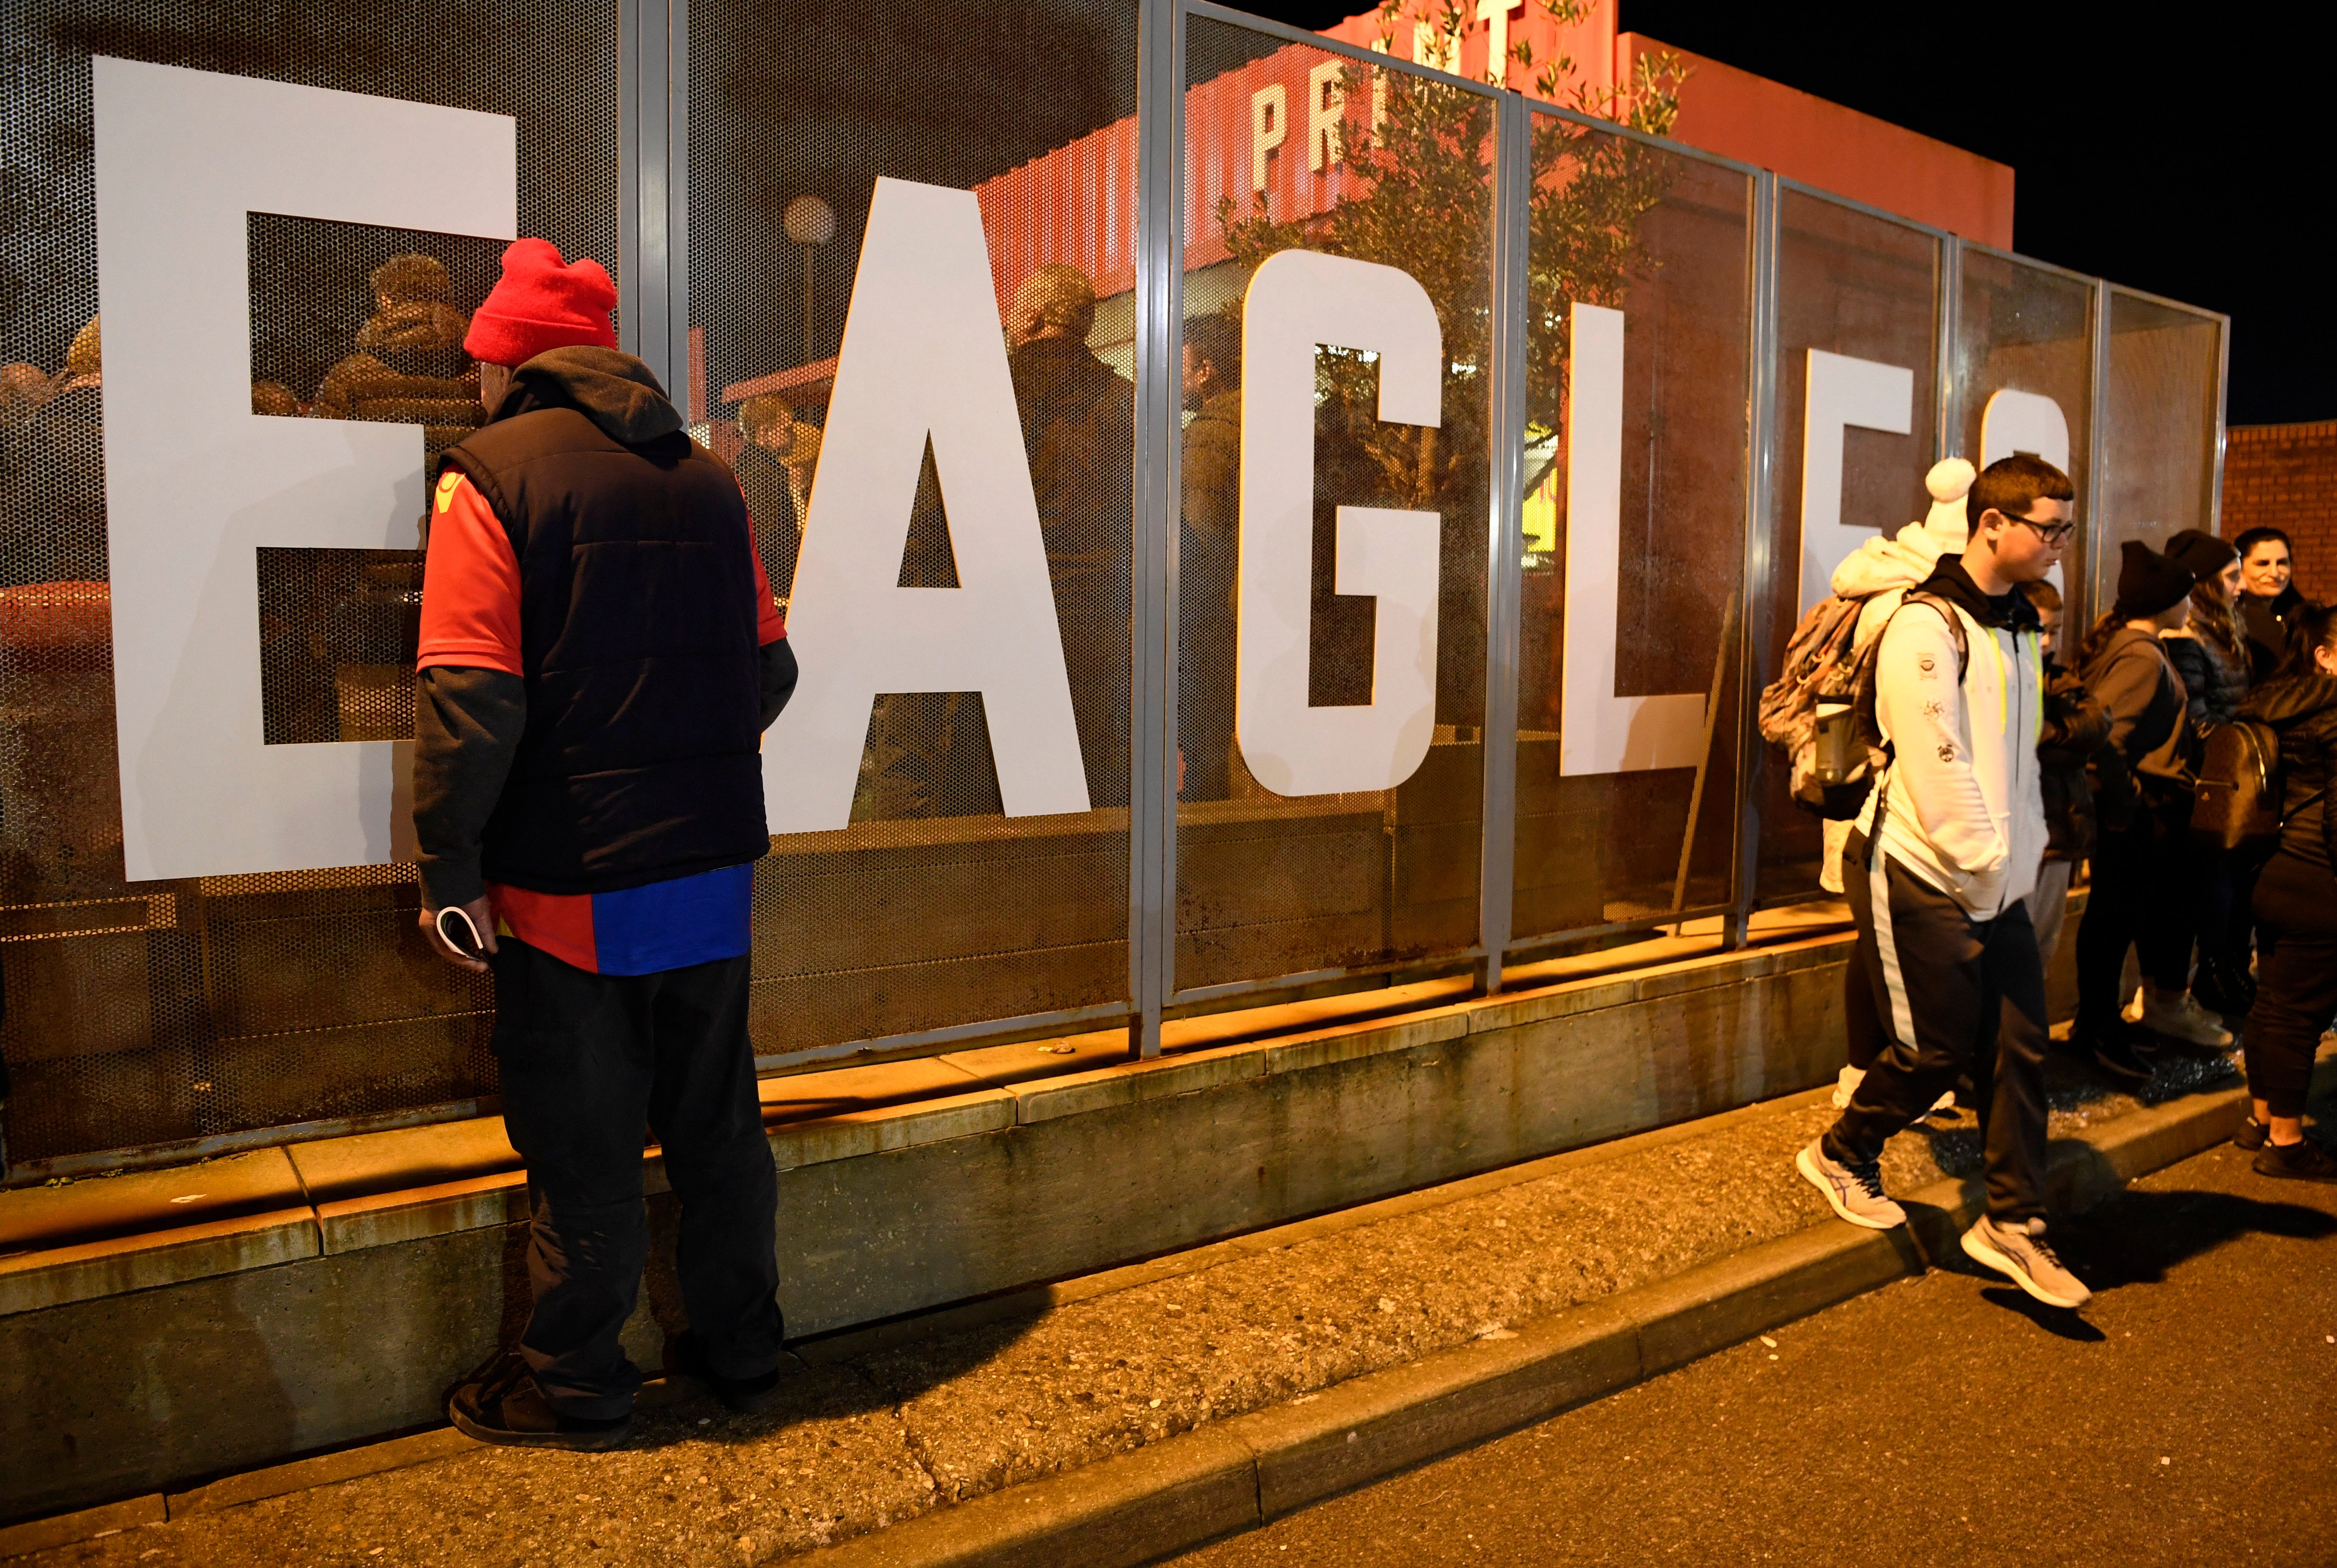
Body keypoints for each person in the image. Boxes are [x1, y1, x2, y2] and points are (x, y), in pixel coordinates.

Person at [412, 237, 800, 1450]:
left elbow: (469, 701)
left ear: (507, 366)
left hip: (571, 883)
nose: (473, 386)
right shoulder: (709, 478)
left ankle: (575, 1377)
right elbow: (770, 669)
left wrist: (447, 868)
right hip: (712, 873)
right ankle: (739, 1346)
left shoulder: (486, 480)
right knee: (716, 1119)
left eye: (479, 365)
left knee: (580, 1138)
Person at [1797, 454, 2089, 1309]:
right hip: (1918, 867)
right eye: (2046, 528)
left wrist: (2021, 851)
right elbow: (1937, 763)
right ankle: (1840, 1154)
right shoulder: (1927, 625)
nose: (2058, 546)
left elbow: (2018, 756)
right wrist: (1989, 860)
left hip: (1994, 875)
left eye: (2066, 529)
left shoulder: (2016, 623)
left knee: (2019, 1049)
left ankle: (2013, 1225)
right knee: (1932, 1050)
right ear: (1990, 524)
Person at [1820, 457, 1974, 1109]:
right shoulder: (1916, 607)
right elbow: (1889, 703)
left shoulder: (1887, 587)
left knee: (1882, 940)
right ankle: (1867, 1071)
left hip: (1880, 784)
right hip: (1887, 790)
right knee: (1879, 941)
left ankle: (1880, 1068)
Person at [2070, 540, 2221, 1086]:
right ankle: (2098, 1030)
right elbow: (2107, 741)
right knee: (2114, 923)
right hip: (2141, 815)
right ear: (2167, 601)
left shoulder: (2136, 645)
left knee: (2117, 921)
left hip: (2142, 813)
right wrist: (2126, 805)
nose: (2191, 605)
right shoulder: (2140, 655)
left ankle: (2102, 1024)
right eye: (2185, 595)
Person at [1008, 262, 1133, 810]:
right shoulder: (1128, 400)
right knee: (1091, 759)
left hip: (1008, 600)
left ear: (1033, 316)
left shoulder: (984, 390)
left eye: (1012, 311)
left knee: (1003, 762)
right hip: (1100, 608)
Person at [2230, 604, 2337, 1180]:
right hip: (2320, 880)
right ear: (2323, 655)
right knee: (2299, 1016)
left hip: (2270, 871)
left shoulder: (2275, 702)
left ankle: (2260, 1117)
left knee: (2271, 1001)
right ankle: (2287, 1142)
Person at [2160, 528, 2256, 1018]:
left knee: (2229, 893)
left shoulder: (2226, 626)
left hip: (2231, 781)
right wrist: (2251, 737)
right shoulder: (2187, 635)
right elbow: (2197, 720)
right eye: (2233, 576)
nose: (2242, 586)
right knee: (2202, 897)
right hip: (2205, 786)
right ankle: (2194, 990)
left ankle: (2222, 979)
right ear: (2203, 582)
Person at [310, 252, 483, 469]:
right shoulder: (483, 373)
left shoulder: (351, 374)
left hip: (383, 496)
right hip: (459, 497)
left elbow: (321, 451)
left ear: (386, 299)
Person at [2019, 577, 2108, 970]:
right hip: (2017, 834)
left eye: (2053, 631)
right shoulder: (2005, 678)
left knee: (2041, 942)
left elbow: (2095, 723)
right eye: (2035, 630)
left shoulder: (2059, 680)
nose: (2044, 642)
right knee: (2014, 943)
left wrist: (2052, 732)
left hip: (2057, 829)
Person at [1179, 312, 1241, 802]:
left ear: (1206, 371)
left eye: (1181, 360)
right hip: (1261, 616)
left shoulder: (1210, 433)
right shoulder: (1270, 419)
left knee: (1206, 754)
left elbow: (1199, 538)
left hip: (1217, 620)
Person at [734, 393, 816, 600]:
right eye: (759, 435)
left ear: (785, 419)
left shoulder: (812, 442)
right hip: (783, 561)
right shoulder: (761, 467)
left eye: (769, 430)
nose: (765, 440)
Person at [2233, 527, 2311, 685]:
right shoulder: (2230, 618)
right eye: (2263, 564)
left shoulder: (2304, 615)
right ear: (2239, 568)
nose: (2274, 573)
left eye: (2282, 563)